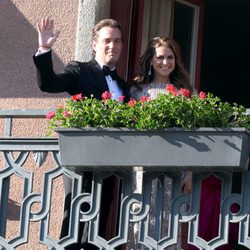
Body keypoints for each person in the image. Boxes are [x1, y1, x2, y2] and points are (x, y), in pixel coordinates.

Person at [33, 17, 130, 249]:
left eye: (117, 41)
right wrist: (45, 49)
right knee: (74, 222)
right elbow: (50, 84)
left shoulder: (124, 85)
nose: (112, 46)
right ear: (95, 45)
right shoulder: (80, 70)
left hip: (111, 164)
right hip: (82, 160)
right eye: (107, 40)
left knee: (99, 226)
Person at [130, 36, 194, 249]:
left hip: (174, 170)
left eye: (170, 57)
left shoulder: (184, 94)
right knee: (139, 226)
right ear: (150, 60)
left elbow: (191, 137)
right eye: (160, 57)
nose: (165, 62)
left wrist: (190, 172)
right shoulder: (136, 92)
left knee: (170, 227)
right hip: (141, 168)